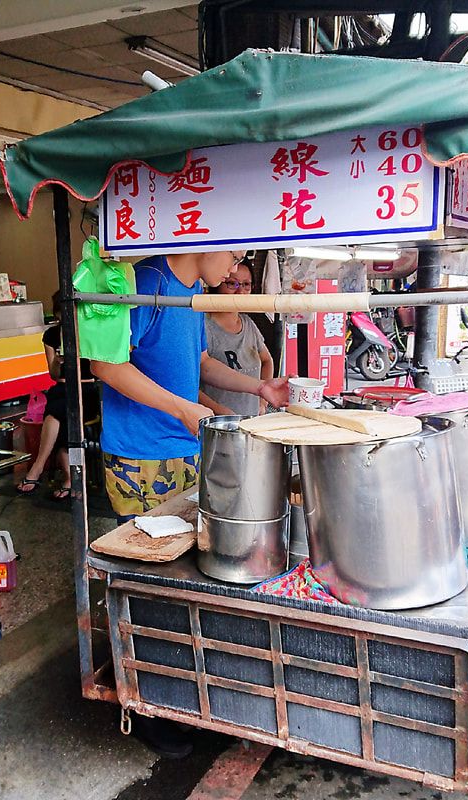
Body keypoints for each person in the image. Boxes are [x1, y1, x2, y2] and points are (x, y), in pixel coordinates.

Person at [90, 249, 289, 759]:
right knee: (147, 587)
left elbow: (198, 363)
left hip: (185, 450)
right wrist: (181, 407)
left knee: (185, 583)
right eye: (234, 252)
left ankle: (180, 695)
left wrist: (259, 386)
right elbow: (106, 365)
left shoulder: (193, 294)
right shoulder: (145, 284)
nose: (236, 266)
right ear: (199, 236)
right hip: (140, 458)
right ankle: (144, 705)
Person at [16, 292, 98, 500]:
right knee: (60, 412)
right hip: (62, 387)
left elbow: (98, 369)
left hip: (87, 388)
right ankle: (70, 479)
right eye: (62, 313)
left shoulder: (92, 331)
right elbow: (53, 375)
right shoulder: (52, 335)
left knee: (57, 412)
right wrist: (57, 362)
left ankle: (38, 467)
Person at [198, 260, 274, 417]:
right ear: (217, 284)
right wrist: (219, 411)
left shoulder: (248, 324)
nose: (240, 292)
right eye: (232, 284)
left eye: (246, 285)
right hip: (217, 423)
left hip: (251, 421)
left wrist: (263, 400)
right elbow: (189, 382)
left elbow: (267, 360)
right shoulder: (202, 326)